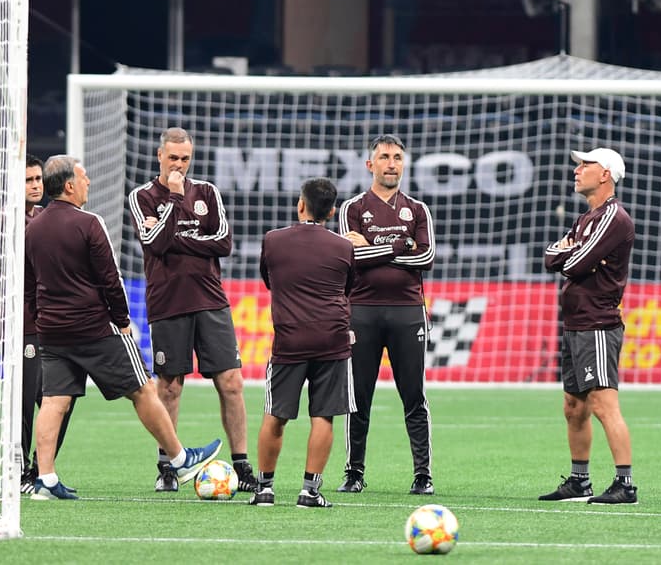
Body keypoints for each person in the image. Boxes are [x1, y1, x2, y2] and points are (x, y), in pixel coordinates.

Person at [24, 155, 222, 500]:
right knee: (143, 388)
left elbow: (29, 284)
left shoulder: (33, 228)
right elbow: (110, 279)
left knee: (54, 400)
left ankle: (46, 479)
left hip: (52, 331)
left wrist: (42, 319)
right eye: (83, 177)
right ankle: (179, 460)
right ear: (69, 185)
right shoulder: (89, 223)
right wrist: (122, 320)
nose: (88, 182)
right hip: (95, 327)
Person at [127, 127, 254, 493]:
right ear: (159, 156)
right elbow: (153, 243)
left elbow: (224, 243)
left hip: (211, 300)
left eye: (184, 158)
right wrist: (174, 199)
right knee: (169, 388)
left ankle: (242, 465)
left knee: (231, 383)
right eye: (173, 158)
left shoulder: (208, 192)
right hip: (168, 302)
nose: (179, 165)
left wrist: (177, 239)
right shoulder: (143, 196)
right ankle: (167, 466)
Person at [336, 134, 437, 496]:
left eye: (396, 157)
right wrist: (399, 245)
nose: (391, 163)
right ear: (370, 165)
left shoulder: (418, 209)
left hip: (408, 312)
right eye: (384, 157)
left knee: (414, 396)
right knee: (358, 396)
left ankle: (423, 475)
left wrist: (373, 248)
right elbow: (350, 257)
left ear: (403, 164)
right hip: (362, 312)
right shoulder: (352, 208)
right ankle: (354, 472)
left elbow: (426, 258)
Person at [249, 178, 357, 509]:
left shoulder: (273, 240)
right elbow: (347, 287)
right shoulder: (344, 247)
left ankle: (264, 489)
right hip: (332, 338)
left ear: (300, 204)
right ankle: (309, 492)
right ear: (333, 211)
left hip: (290, 339)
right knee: (324, 415)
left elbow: (269, 280)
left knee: (275, 414)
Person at [540, 147, 638, 506]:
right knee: (573, 406)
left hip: (598, 323)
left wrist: (567, 253)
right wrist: (565, 253)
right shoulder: (586, 219)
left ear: (606, 174)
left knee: (603, 403)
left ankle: (625, 484)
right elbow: (551, 257)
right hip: (576, 322)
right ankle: (579, 480)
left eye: (586, 164)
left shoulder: (614, 217)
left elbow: (573, 263)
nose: (577, 170)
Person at [18, 154, 75, 494]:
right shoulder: (6, 221)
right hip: (23, 324)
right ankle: (19, 471)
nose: (36, 185)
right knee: (24, 402)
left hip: (52, 324)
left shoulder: (42, 218)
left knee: (62, 399)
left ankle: (41, 469)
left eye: (38, 179)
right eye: (28, 180)